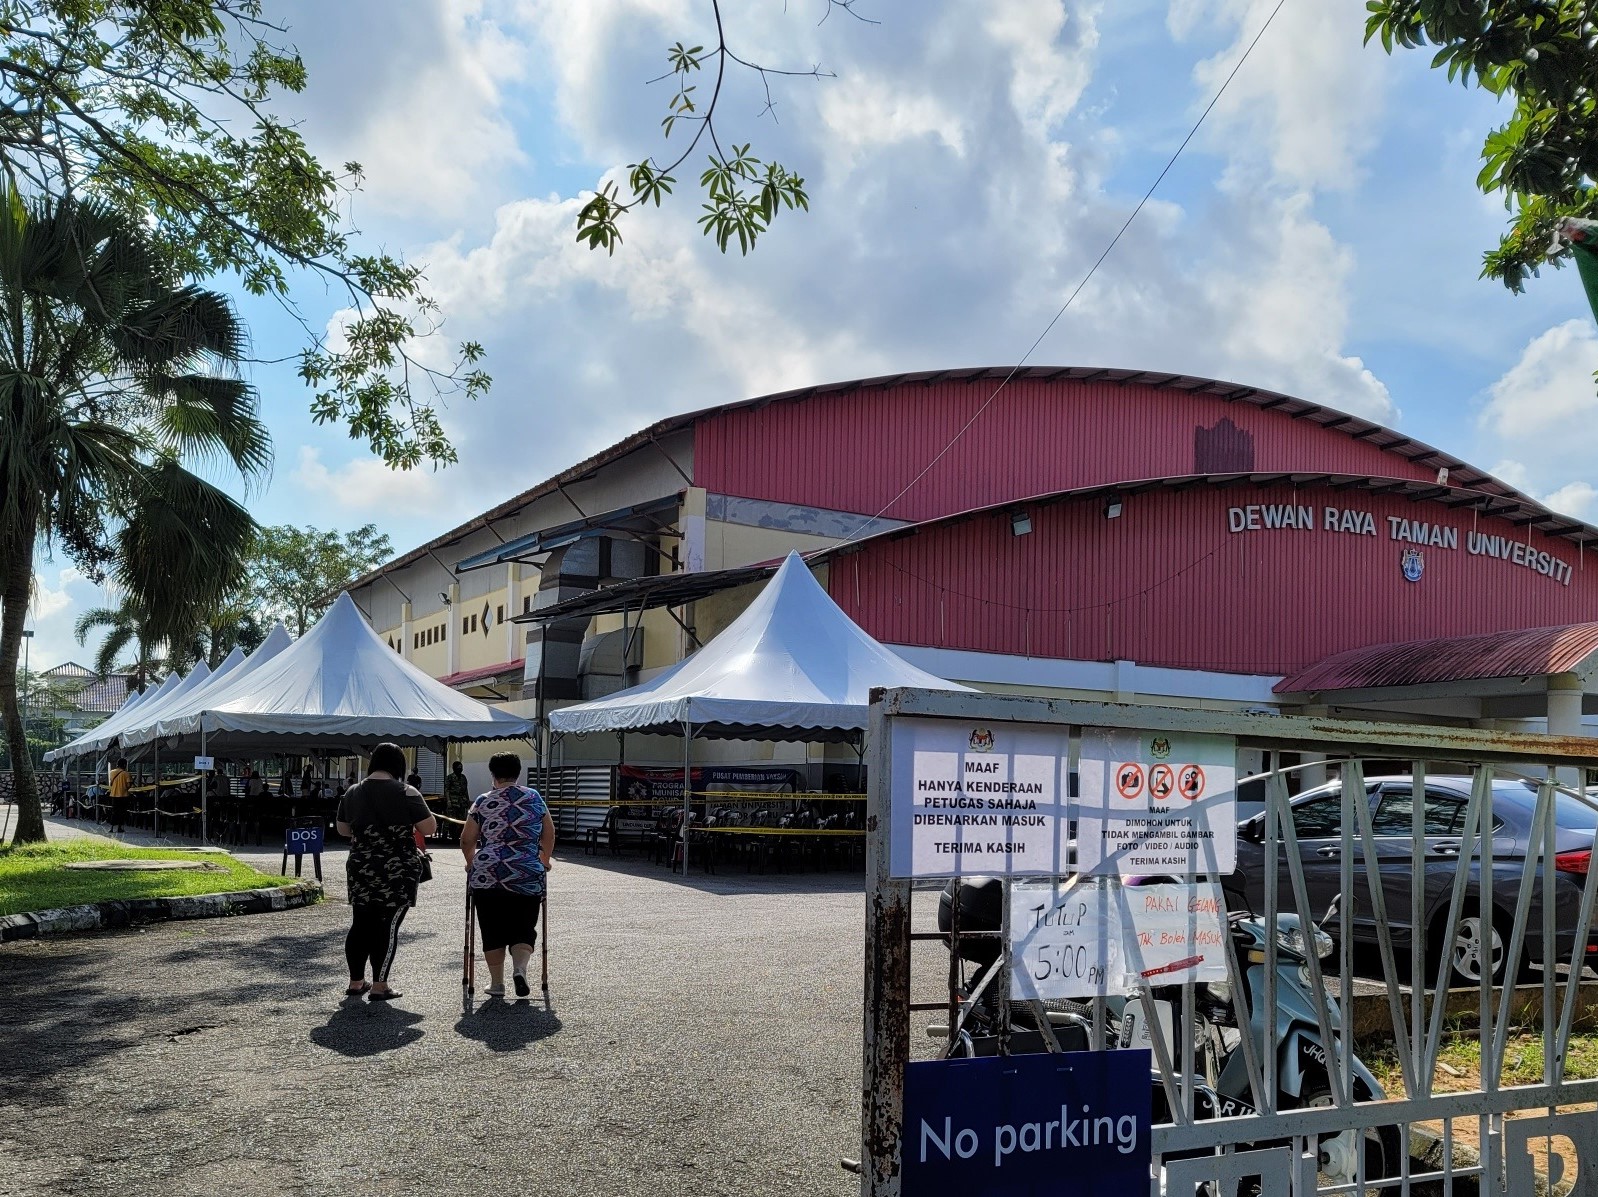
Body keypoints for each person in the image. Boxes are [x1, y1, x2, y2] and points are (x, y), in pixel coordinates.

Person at [336, 742, 435, 1002]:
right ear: (398, 766)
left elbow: (343, 830)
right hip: (397, 869)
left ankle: (356, 981)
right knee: (387, 925)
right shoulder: (407, 791)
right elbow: (428, 828)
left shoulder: (352, 792)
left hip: (360, 866)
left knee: (360, 924)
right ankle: (380, 985)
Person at [461, 751, 555, 999]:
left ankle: (497, 984)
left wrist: (472, 863)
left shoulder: (482, 801)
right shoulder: (534, 798)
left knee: (491, 928)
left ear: (493, 775)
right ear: (518, 773)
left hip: (488, 873)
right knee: (524, 926)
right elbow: (549, 832)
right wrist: (543, 860)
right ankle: (520, 969)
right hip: (526, 870)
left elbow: (466, 840)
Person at [442, 761, 470, 843]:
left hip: (462, 801)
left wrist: (467, 801)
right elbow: (447, 790)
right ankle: (444, 837)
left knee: (460, 820)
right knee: (449, 819)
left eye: (461, 767)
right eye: (458, 767)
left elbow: (466, 790)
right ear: (454, 768)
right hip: (453, 801)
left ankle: (456, 837)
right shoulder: (450, 777)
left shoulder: (463, 777)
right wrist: (448, 801)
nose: (460, 769)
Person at [108, 757, 132, 834]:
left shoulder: (111, 772)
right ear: (125, 765)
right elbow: (128, 785)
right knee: (122, 812)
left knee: (114, 811)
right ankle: (119, 827)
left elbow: (111, 782)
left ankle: (111, 828)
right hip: (123, 795)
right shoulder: (126, 774)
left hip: (113, 794)